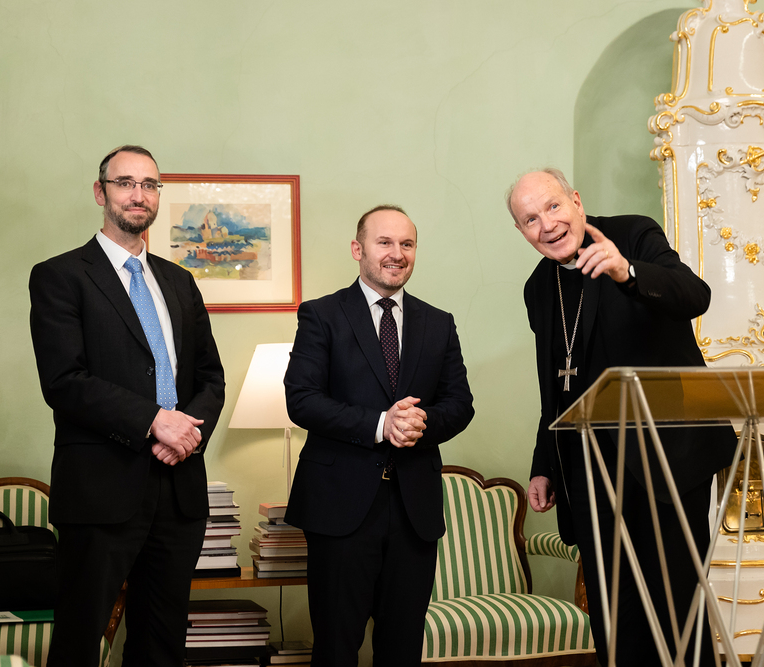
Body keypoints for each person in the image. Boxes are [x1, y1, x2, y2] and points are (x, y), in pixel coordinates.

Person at [506, 168, 736, 666]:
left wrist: (627, 272)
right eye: (530, 219)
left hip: (666, 460)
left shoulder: (633, 233)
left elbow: (695, 296)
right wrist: (544, 465)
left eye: (552, 206)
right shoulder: (538, 288)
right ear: (521, 231)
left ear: (576, 201)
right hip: (590, 474)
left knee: (678, 610)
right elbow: (556, 387)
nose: (546, 224)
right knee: (615, 618)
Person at [29, 145, 226, 667]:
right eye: (125, 183)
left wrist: (187, 435)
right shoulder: (60, 276)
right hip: (101, 489)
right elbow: (64, 381)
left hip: (179, 489)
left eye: (149, 185)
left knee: (161, 644)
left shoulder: (180, 281)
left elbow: (211, 377)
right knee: (79, 642)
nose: (138, 195)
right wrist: (155, 422)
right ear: (101, 193)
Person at [284, 205, 474, 666]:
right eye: (384, 242)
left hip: (414, 510)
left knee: (402, 648)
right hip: (339, 506)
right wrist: (380, 424)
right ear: (358, 249)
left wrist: (417, 423)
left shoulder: (438, 322)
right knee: (336, 648)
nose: (397, 253)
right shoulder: (321, 315)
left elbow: (459, 404)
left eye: (407, 244)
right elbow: (302, 400)